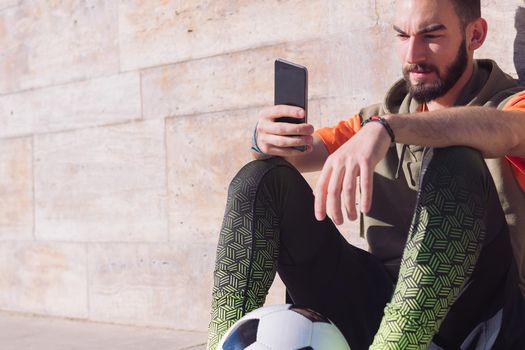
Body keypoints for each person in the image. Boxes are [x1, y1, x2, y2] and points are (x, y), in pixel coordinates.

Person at [207, 0, 525, 349]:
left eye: (431, 35)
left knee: (459, 159)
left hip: (484, 320)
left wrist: (388, 129)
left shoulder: (510, 105)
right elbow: (298, 153)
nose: (412, 54)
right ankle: (223, 343)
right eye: (402, 35)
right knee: (260, 179)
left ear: (474, 35)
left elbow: (509, 130)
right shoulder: (379, 116)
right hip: (387, 308)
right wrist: (264, 139)